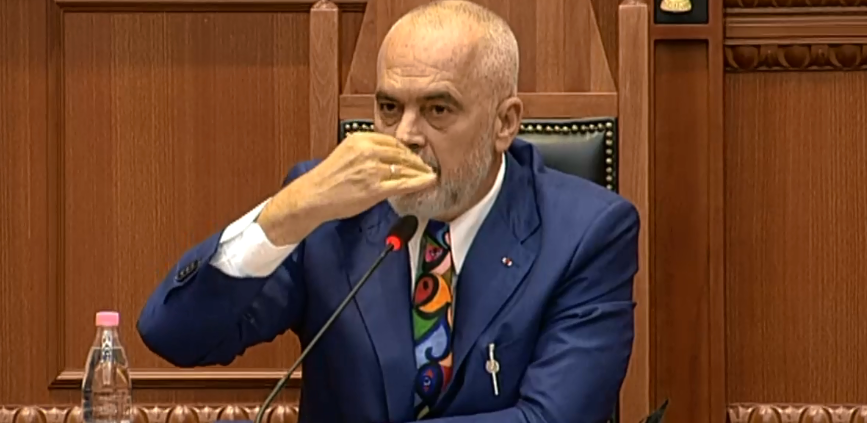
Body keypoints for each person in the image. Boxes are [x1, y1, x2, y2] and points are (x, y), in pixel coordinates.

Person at [137, 1, 639, 422]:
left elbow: (551, 417)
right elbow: (175, 335)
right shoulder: (330, 212)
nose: (406, 136)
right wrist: (285, 215)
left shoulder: (588, 232)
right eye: (389, 108)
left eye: (438, 109)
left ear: (504, 123)